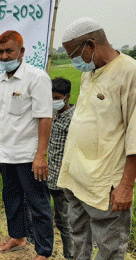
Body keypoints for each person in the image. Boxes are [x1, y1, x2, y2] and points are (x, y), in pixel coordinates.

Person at [57, 17, 136, 259]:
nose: (73, 61)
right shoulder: (89, 73)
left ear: (91, 44)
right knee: (78, 238)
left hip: (105, 184)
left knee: (109, 248)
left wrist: (126, 186)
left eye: (74, 54)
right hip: (77, 179)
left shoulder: (129, 72)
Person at [0, 30, 54, 260]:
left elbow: (45, 117)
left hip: (28, 156)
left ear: (22, 52)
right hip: (5, 154)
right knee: (11, 199)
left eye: (9, 51)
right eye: (0, 51)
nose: (3, 56)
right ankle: (17, 237)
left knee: (38, 203)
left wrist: (41, 156)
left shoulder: (36, 78)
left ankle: (43, 251)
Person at [47, 77, 75, 259]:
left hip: (64, 181)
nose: (53, 101)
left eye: (57, 97)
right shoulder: (53, 115)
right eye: (51, 97)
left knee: (65, 222)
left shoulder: (74, 119)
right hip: (49, 176)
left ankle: (70, 256)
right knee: (49, 217)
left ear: (67, 97)